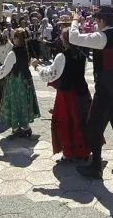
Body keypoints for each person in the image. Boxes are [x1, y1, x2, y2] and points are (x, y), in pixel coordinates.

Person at [69, 6, 113, 179]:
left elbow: (73, 38)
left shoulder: (102, 37)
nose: (96, 23)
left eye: (97, 20)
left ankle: (96, 167)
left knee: (93, 126)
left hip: (106, 88)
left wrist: (75, 21)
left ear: (101, 20)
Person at [33, 28, 99, 162]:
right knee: (82, 120)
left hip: (67, 94)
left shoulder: (62, 56)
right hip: (82, 91)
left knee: (66, 122)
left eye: (62, 38)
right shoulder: (82, 55)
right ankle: (83, 151)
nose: (61, 40)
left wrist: (36, 66)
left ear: (66, 40)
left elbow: (49, 74)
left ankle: (68, 154)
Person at [0, 28, 40, 138]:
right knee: (24, 102)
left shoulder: (13, 53)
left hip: (16, 81)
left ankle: (16, 129)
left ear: (16, 39)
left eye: (14, 37)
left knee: (15, 103)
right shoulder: (27, 51)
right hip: (26, 80)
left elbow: (4, 70)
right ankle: (26, 127)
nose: (12, 38)